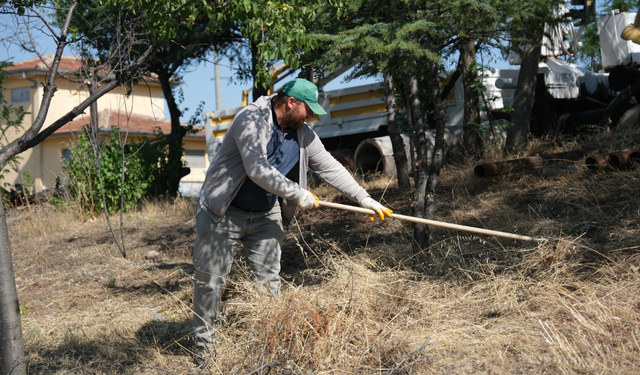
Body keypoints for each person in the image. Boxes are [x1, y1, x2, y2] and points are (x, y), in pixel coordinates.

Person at [191, 78, 392, 361]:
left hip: (265, 213)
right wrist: (297, 192)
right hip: (223, 211)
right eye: (308, 110)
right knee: (211, 282)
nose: (311, 116)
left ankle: (264, 347)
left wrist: (364, 198)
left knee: (268, 283)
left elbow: (330, 167)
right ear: (290, 103)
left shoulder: (303, 133)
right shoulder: (251, 119)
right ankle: (205, 352)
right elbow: (256, 169)